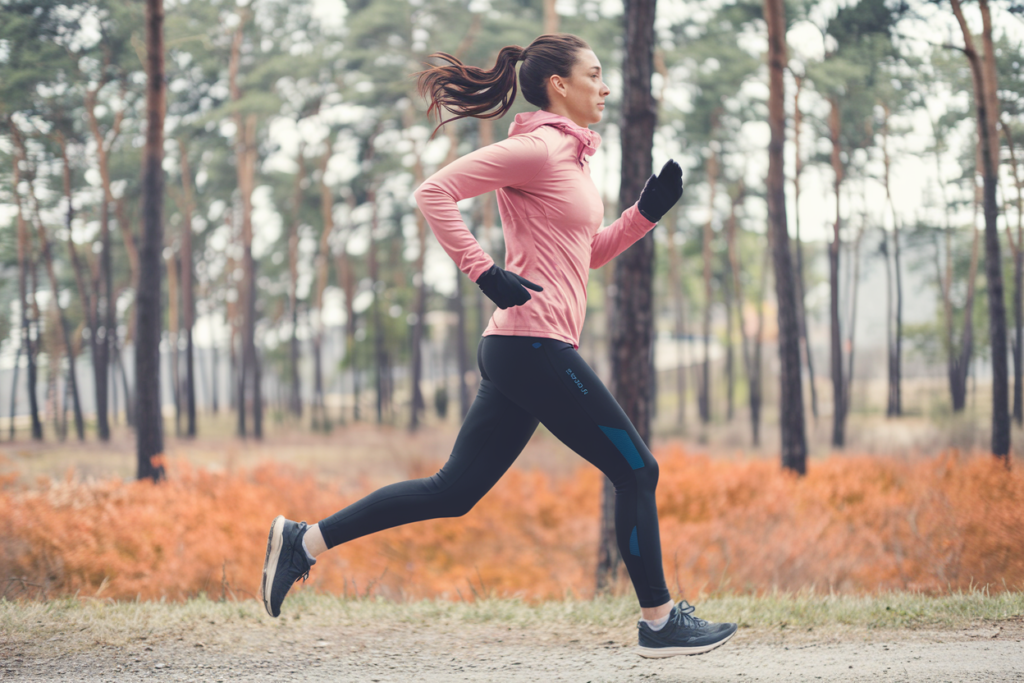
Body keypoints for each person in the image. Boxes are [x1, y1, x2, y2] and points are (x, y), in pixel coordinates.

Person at [261, 32, 737, 658]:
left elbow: (585, 255)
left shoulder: (569, 160)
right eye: (595, 74)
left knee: (453, 492)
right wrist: (483, 270)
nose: (606, 86)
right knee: (637, 469)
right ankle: (659, 623)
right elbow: (433, 193)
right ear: (559, 85)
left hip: (524, 347)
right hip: (532, 343)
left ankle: (304, 541)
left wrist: (645, 214)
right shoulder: (537, 147)